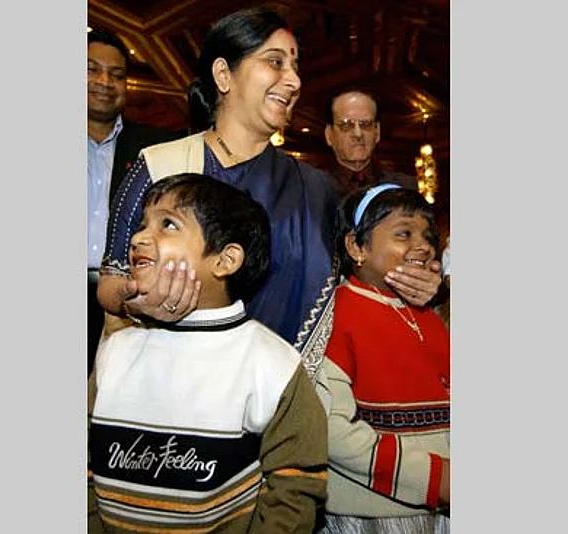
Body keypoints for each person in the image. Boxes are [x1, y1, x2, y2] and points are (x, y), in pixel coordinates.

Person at [95, 7, 443, 378]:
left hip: (284, 389)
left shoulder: (315, 189)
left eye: (295, 67)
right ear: (223, 74)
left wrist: (419, 283)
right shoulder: (160, 165)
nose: (293, 81)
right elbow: (111, 280)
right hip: (171, 382)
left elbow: (362, 272)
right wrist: (136, 301)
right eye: (275, 62)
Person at [89, 173, 328, 532]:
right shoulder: (116, 350)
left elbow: (296, 487)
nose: (138, 238)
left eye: (168, 224)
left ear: (225, 260)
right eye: (142, 225)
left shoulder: (271, 364)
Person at [315, 183, 450, 533]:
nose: (423, 246)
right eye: (404, 234)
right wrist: (435, 478)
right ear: (356, 247)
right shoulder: (337, 315)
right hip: (375, 512)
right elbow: (333, 431)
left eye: (428, 236)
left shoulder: (429, 316)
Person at [87, 28, 183, 375]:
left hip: (129, 301)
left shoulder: (155, 149)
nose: (104, 82)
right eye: (92, 70)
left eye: (116, 75)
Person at [324, 88, 419, 198]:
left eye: (366, 124)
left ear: (377, 132)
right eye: (346, 125)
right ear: (329, 135)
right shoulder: (313, 189)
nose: (358, 134)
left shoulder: (404, 187)